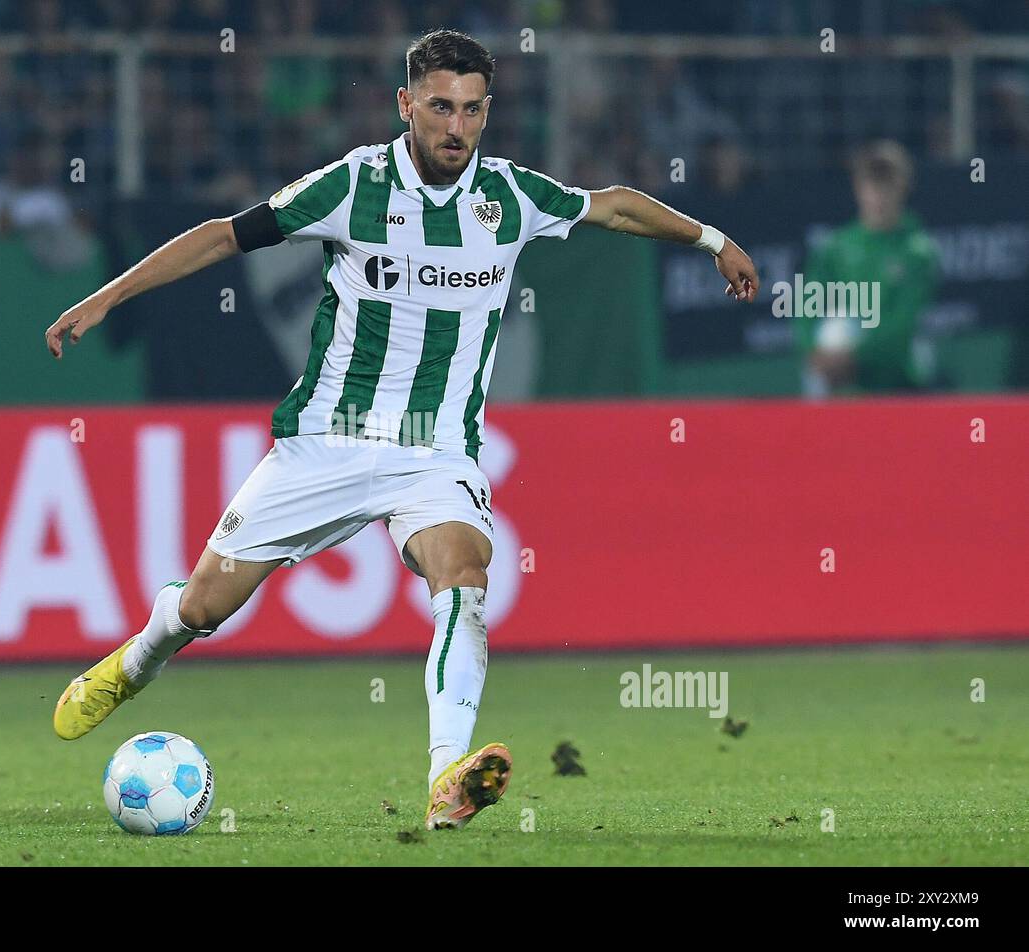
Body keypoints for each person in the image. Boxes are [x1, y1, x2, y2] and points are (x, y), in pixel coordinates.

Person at [43, 29, 759, 831]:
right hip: (328, 438)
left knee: (464, 578)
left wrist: (713, 239)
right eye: (442, 108)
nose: (458, 128)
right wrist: (108, 296)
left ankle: (446, 772)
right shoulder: (352, 186)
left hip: (435, 452)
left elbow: (617, 205)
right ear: (406, 105)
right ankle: (136, 660)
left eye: (474, 111)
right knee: (206, 607)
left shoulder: (509, 197)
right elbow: (222, 235)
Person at [797, 141, 942, 397]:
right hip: (841, 389)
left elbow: (902, 323)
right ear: (858, 188)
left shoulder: (918, 253)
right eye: (872, 185)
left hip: (900, 388)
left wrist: (855, 356)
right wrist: (816, 354)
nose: (879, 196)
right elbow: (808, 305)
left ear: (903, 188)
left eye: (887, 187)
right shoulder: (836, 247)